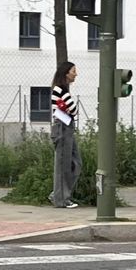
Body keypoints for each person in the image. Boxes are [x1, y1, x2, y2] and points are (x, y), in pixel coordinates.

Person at [50, 62, 81, 209]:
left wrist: (69, 109)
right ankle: (61, 199)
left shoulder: (64, 91)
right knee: (63, 166)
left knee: (76, 163)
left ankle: (58, 194)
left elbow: (71, 110)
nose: (76, 74)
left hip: (67, 126)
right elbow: (74, 110)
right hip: (62, 128)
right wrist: (70, 110)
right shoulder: (60, 90)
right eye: (73, 71)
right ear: (66, 73)